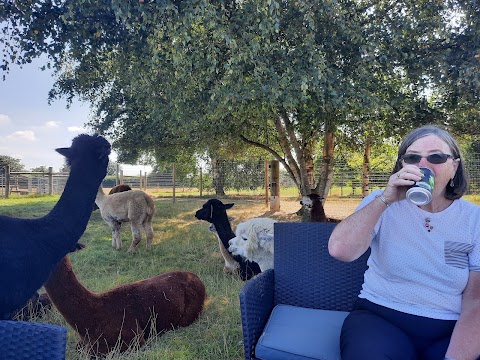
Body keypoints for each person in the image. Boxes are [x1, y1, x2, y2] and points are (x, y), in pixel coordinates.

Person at [328, 125, 480, 360]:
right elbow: (340, 250)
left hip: (448, 327)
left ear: (454, 167)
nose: (423, 165)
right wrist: (385, 199)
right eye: (412, 157)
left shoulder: (473, 220)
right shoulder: (381, 204)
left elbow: (476, 300)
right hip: (380, 318)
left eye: (437, 157)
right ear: (402, 165)